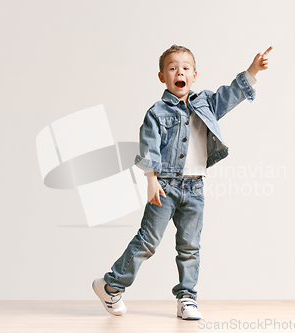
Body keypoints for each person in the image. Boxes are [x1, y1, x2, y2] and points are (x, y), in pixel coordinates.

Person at [92, 44, 272, 320]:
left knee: (190, 247)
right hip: (165, 185)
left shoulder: (206, 103)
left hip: (195, 187)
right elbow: (149, 147)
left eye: (185, 68)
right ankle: (110, 285)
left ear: (195, 75)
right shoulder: (157, 112)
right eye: (173, 68)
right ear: (162, 77)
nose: (180, 72)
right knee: (148, 241)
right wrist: (151, 180)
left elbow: (231, 93)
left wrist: (253, 70)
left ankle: (186, 298)